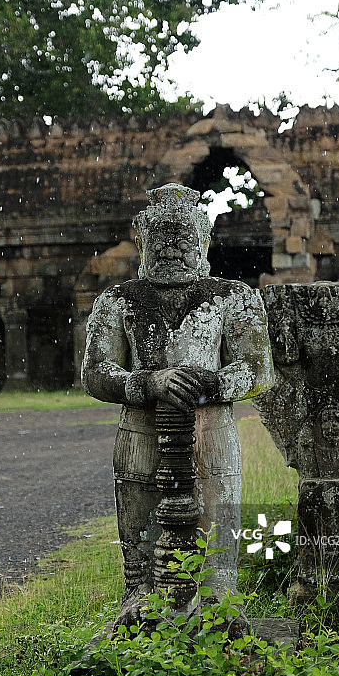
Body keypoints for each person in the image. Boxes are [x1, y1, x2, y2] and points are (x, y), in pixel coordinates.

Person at [82, 183, 274, 623]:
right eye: (162, 239)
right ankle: (139, 595)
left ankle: (219, 596)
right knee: (141, 517)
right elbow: (95, 372)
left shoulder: (231, 297)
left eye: (183, 239)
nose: (172, 249)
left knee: (214, 510)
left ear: (204, 241)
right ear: (143, 240)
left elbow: (258, 369)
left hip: (210, 429)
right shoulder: (119, 301)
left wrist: (207, 384)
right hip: (141, 431)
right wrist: (148, 383)